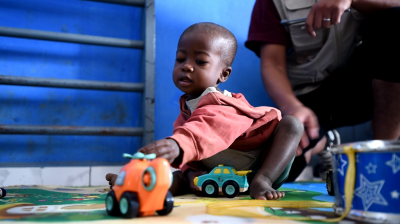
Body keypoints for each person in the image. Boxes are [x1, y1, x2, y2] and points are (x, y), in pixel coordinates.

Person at [106, 22, 303, 200]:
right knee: (179, 177)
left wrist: (177, 146)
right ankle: (136, 184)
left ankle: (263, 181)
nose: (187, 67)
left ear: (223, 74)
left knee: (292, 124)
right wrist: (190, 172)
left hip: (258, 163)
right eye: (180, 59)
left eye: (200, 62)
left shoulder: (223, 105)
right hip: (215, 169)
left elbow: (207, 128)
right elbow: (192, 142)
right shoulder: (186, 110)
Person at [245, 0, 400, 181]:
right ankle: (323, 143)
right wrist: (292, 107)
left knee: (396, 19)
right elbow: (273, 63)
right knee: (280, 168)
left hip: (368, 86)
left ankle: (381, 155)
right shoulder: (271, 2)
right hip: (310, 96)